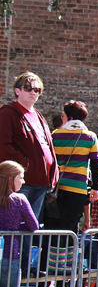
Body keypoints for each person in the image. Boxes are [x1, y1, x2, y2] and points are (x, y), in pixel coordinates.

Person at [0, 72, 58, 222]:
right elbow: (3, 145)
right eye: (28, 88)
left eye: (37, 90)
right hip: (21, 180)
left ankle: (27, 247)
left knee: (31, 227)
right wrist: (25, 165)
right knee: (15, 225)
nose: (33, 92)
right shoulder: (8, 113)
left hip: (41, 181)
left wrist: (53, 170)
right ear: (17, 91)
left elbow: (47, 145)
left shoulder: (38, 116)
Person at [0, 161, 40, 287]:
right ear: (10, 179)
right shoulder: (19, 200)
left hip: (6, 255)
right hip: (9, 256)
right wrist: (16, 225)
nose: (23, 181)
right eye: (20, 177)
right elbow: (33, 225)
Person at [47, 100, 98, 234]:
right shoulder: (90, 137)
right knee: (71, 226)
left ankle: (51, 255)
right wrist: (95, 187)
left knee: (53, 226)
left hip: (57, 187)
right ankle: (69, 255)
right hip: (78, 187)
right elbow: (95, 164)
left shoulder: (55, 135)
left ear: (69, 117)